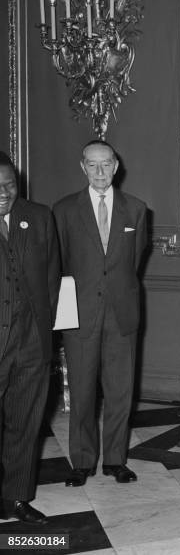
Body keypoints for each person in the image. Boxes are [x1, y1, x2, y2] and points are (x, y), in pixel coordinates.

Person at [53, 140, 147, 488]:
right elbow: (58, 263)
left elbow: (134, 261)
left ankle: (116, 460)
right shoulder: (63, 210)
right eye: (92, 165)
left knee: (121, 391)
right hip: (79, 313)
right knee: (81, 390)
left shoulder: (136, 210)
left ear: (116, 165)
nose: (99, 172)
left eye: (105, 164)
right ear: (82, 167)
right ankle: (82, 461)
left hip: (122, 312)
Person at [0, 151, 60, 524]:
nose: (4, 193)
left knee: (25, 422)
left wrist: (43, 332)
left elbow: (51, 276)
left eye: (9, 185)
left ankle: (17, 498)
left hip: (32, 342)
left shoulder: (38, 217)